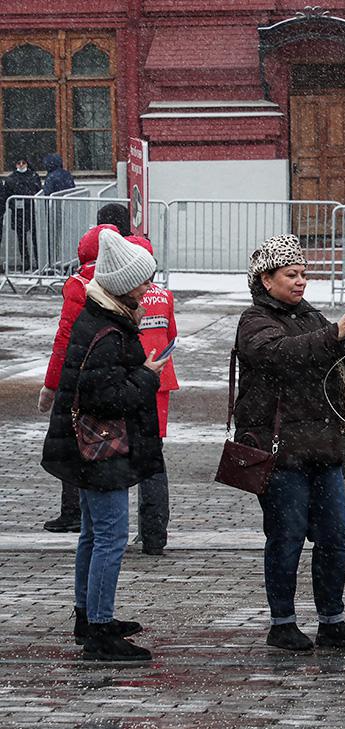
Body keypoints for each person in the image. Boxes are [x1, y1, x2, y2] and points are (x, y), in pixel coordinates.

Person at [235, 234, 345, 651]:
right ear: (266, 279)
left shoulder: (312, 318)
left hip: (322, 446)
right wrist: (335, 333)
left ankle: (332, 620)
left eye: (303, 274)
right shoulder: (254, 321)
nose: (300, 282)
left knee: (335, 535)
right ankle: (282, 623)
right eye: (291, 274)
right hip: (280, 453)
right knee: (287, 535)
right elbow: (282, 355)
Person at [41, 228, 165, 662]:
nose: (150, 288)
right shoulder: (108, 332)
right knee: (110, 536)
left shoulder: (99, 316)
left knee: (93, 535)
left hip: (85, 450)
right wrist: (148, 374)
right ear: (124, 285)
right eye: (144, 281)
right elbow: (107, 398)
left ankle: (89, 614)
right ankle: (99, 629)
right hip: (100, 451)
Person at [40, 223, 121, 532]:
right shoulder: (124, 281)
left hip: (77, 375)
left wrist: (51, 384)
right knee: (106, 441)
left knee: (72, 441)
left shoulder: (78, 285)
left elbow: (63, 340)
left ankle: (74, 510)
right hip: (111, 374)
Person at [127, 235, 176, 555]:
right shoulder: (166, 296)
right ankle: (155, 531)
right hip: (160, 379)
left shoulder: (125, 297)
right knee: (153, 455)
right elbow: (172, 334)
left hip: (130, 378)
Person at [7, 157, 41, 271]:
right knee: (21, 239)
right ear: (15, 165)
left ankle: (38, 260)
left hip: (32, 210)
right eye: (18, 163)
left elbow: (38, 191)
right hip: (18, 213)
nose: (21, 165)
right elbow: (7, 195)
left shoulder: (33, 176)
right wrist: (13, 205)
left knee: (35, 237)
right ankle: (25, 262)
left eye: (23, 163)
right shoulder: (11, 178)